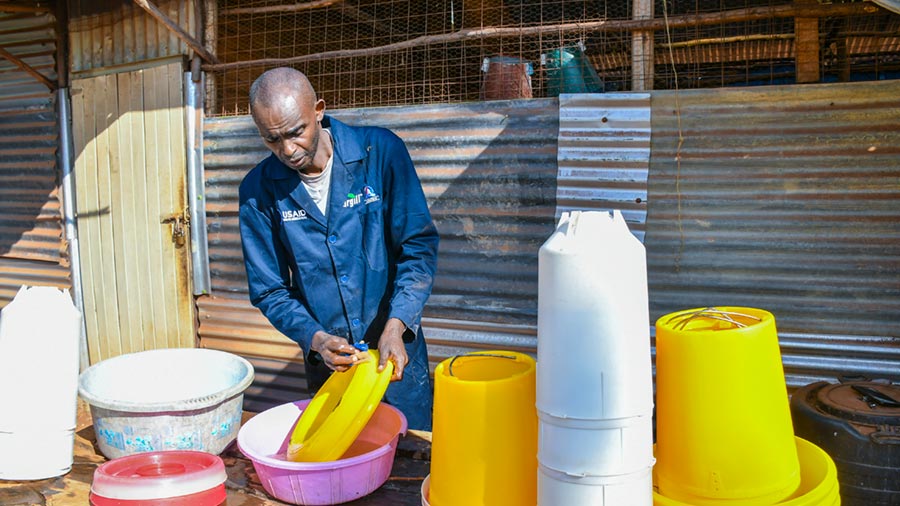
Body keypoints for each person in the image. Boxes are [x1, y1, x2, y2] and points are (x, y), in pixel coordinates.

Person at [238, 67, 438, 430]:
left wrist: (397, 324)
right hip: (332, 370)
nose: (288, 149)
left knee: (411, 458)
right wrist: (315, 339)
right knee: (341, 460)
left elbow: (417, 246)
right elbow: (268, 290)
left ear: (318, 109)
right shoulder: (258, 192)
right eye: (272, 140)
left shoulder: (380, 153)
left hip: (397, 359)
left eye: (296, 132)